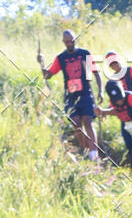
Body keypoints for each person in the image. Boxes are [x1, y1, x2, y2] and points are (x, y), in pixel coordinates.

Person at [38, 29, 102, 161]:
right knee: (76, 124)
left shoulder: (84, 54)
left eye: (71, 41)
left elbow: (96, 72)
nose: (69, 44)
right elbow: (48, 75)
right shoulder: (61, 58)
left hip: (85, 93)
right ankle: (85, 153)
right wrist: (41, 63)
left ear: (75, 39)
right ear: (63, 42)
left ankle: (94, 155)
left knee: (88, 122)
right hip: (70, 96)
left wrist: (100, 90)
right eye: (67, 42)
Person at [104, 51, 132, 153]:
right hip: (123, 111)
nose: (114, 65)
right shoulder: (112, 79)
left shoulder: (130, 71)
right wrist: (105, 111)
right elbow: (113, 99)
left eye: (115, 62)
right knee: (126, 136)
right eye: (111, 64)